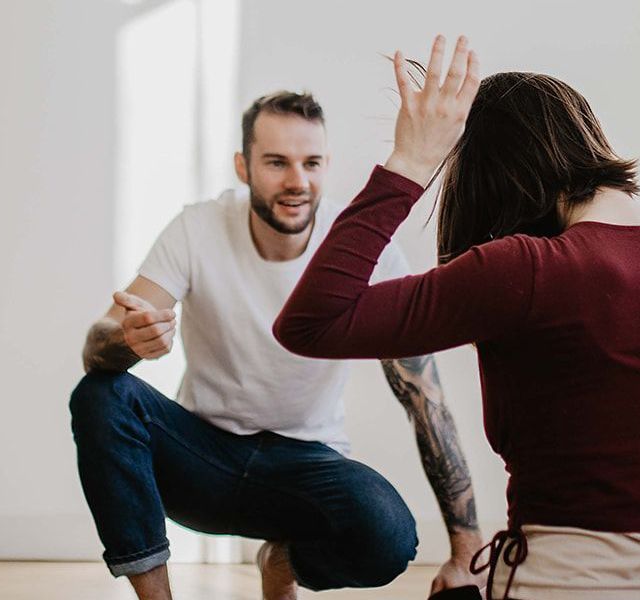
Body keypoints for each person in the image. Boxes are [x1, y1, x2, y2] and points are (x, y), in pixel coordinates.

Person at [274, 35, 640, 600]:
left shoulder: (525, 267)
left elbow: (311, 322)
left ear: (492, 173)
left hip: (551, 587)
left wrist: (409, 163)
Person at [70, 91, 486, 600]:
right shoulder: (197, 227)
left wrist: (467, 549)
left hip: (306, 469)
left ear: (326, 165)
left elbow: (425, 400)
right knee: (102, 394)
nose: (296, 181)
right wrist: (127, 340)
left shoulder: (362, 247)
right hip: (203, 460)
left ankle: (281, 560)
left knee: (390, 536)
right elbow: (99, 345)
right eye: (276, 162)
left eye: (311, 163)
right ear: (243, 167)